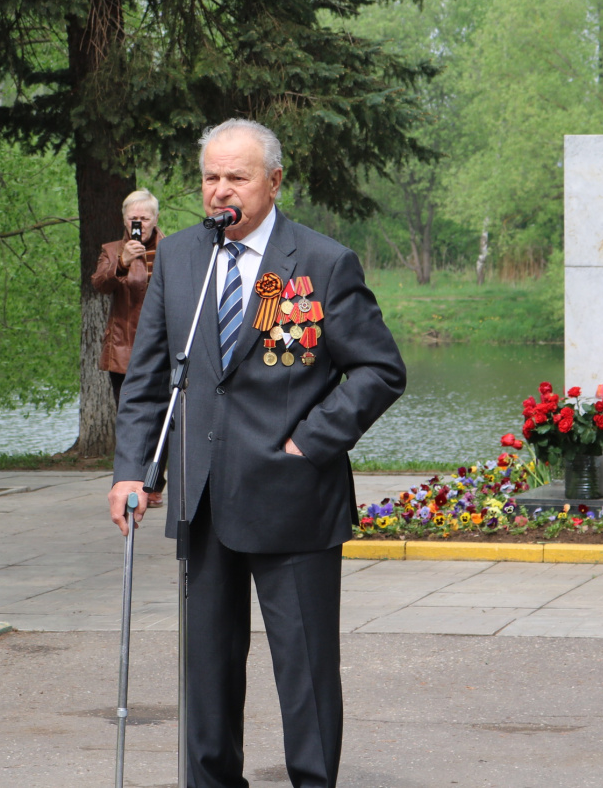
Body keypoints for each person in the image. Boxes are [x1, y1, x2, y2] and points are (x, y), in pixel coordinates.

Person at [110, 118, 405, 788]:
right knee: (207, 671)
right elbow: (149, 379)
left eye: (236, 177)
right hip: (202, 498)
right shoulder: (181, 259)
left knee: (303, 672)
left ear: (274, 181)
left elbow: (380, 370)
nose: (221, 191)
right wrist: (133, 470)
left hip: (293, 498)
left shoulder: (323, 263)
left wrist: (311, 440)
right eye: (211, 177)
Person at [92, 189, 160, 406]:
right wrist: (122, 262)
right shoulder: (111, 251)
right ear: (124, 219)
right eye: (133, 219)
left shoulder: (171, 249)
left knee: (166, 419)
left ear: (155, 219)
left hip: (162, 349)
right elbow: (100, 284)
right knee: (128, 417)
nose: (138, 224)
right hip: (124, 351)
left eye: (144, 219)